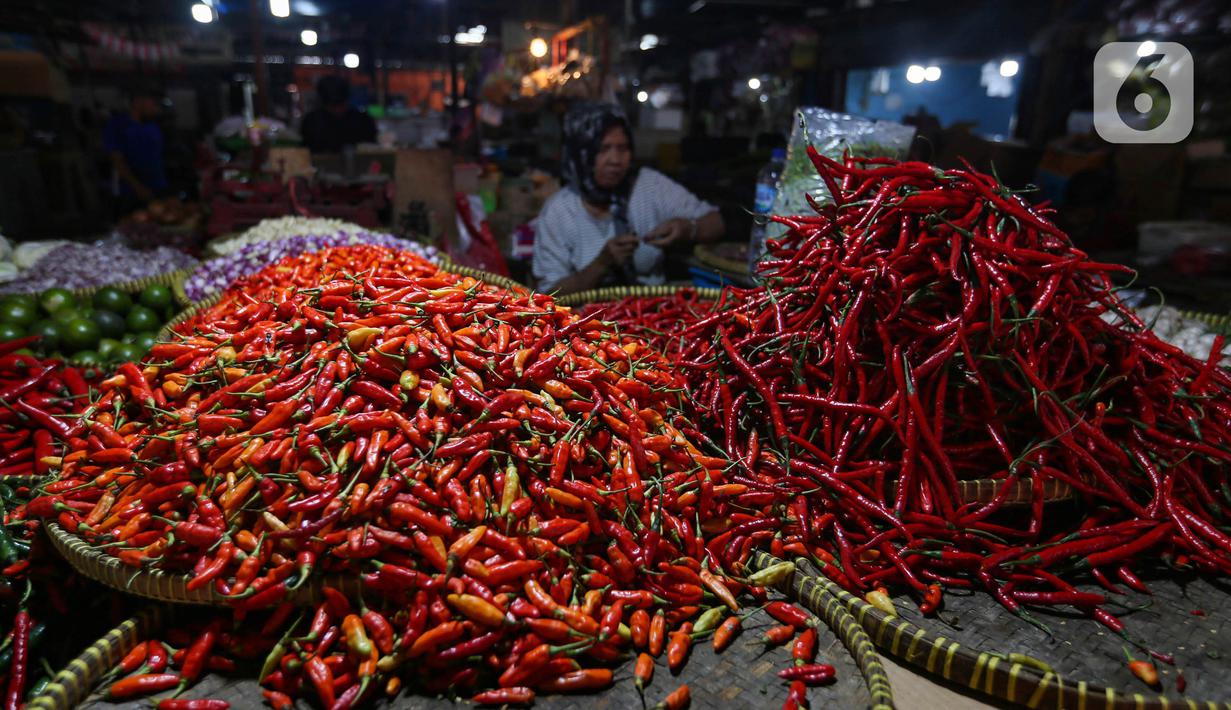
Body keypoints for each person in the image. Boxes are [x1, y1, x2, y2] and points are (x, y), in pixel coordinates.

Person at [533, 103, 724, 294]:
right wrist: (601, 264)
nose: (615, 160)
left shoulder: (649, 185)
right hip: (584, 319)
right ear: (580, 154)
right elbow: (549, 293)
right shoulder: (559, 211)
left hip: (653, 309)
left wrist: (687, 229)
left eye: (623, 148)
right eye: (603, 149)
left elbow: (716, 222)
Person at [103, 87, 168, 210]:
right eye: (154, 103)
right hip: (129, 193)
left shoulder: (153, 126)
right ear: (138, 102)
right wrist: (138, 187)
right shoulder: (117, 125)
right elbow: (117, 161)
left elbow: (157, 158)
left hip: (157, 189)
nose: (157, 107)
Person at [301, 76, 377, 153]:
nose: (337, 109)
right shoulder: (312, 122)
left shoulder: (362, 120)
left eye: (339, 104)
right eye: (333, 105)